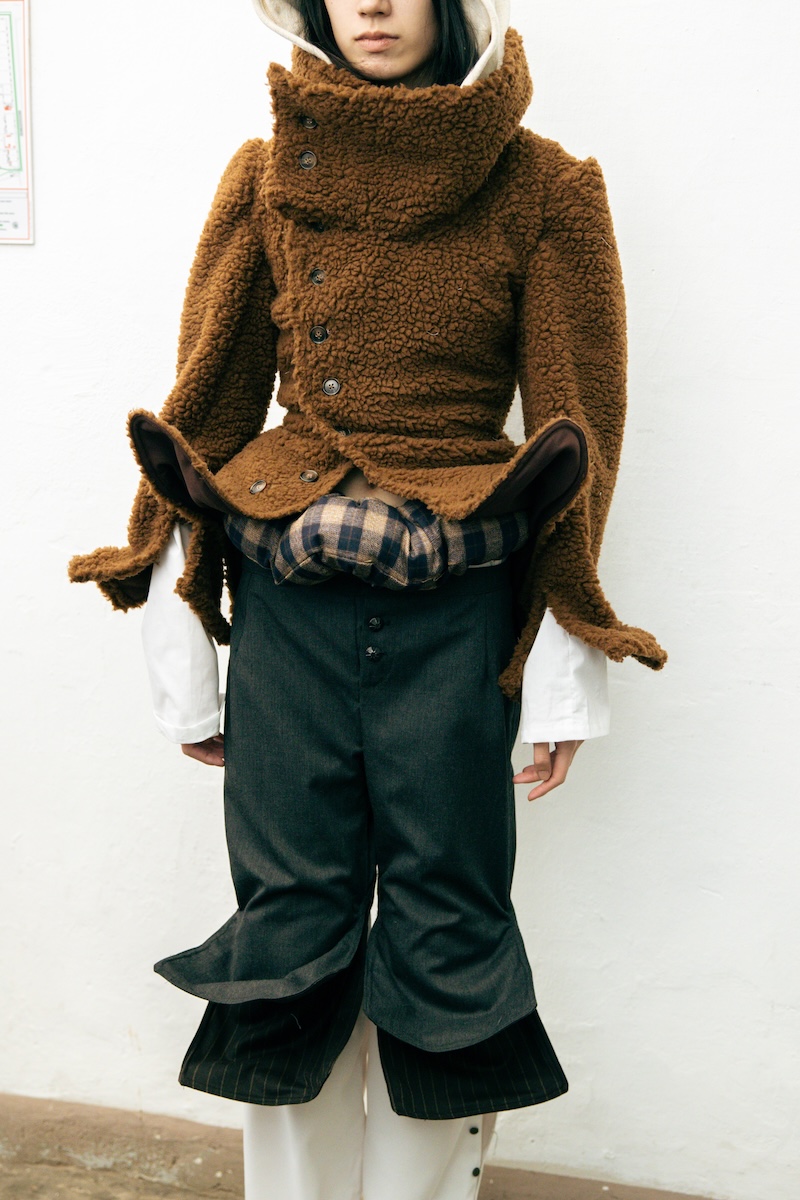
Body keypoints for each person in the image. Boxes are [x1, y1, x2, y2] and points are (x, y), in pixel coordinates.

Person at [68, 1, 667, 1196]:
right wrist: (183, 646)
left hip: (458, 612)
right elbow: (207, 402)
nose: (373, 3)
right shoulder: (263, 177)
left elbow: (578, 428)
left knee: (448, 922)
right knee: (288, 924)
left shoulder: (545, 187)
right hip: (286, 609)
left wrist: (564, 658)